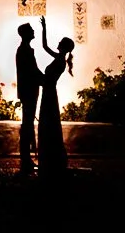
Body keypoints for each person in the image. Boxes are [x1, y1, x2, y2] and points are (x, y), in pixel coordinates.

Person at [37, 15, 74, 176]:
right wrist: (44, 28)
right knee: (49, 123)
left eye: (60, 42)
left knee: (48, 123)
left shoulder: (60, 61)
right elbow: (45, 46)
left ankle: (50, 158)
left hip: (49, 93)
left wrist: (36, 78)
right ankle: (50, 157)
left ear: (64, 47)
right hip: (49, 92)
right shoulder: (60, 59)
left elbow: (48, 79)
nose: (57, 43)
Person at [15, 22, 42, 173]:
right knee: (27, 124)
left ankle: (26, 156)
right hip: (29, 91)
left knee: (28, 123)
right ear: (26, 33)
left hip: (29, 91)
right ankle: (25, 157)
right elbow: (32, 71)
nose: (33, 32)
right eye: (31, 30)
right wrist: (45, 80)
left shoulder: (24, 49)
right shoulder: (24, 50)